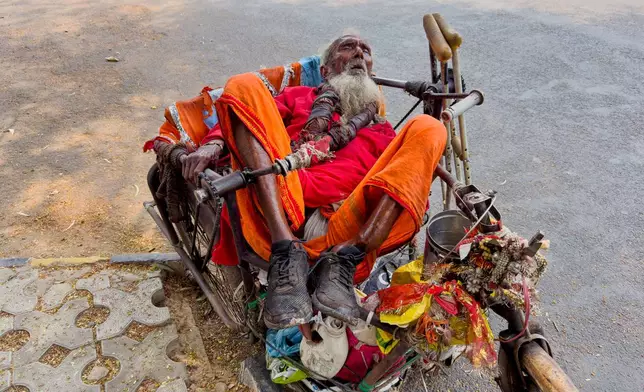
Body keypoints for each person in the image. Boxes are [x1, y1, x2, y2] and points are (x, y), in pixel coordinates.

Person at [180, 34, 447, 329]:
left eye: (366, 51)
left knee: (430, 127)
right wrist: (213, 144)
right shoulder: (299, 97)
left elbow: (403, 184)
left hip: (349, 229)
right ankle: (286, 250)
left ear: (370, 72)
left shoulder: (383, 129)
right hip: (282, 206)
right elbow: (246, 115)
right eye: (348, 47)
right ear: (325, 70)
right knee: (243, 84)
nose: (359, 52)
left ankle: (347, 258)